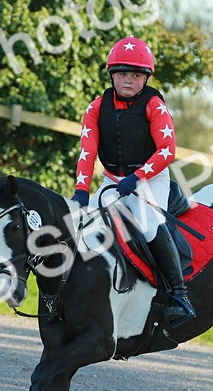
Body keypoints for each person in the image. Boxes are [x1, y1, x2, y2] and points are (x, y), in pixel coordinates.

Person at [71, 36, 196, 326]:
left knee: (148, 223)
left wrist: (138, 177)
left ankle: (179, 294)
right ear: (112, 75)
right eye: (123, 74)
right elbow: (87, 151)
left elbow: (167, 151)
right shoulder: (95, 108)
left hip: (151, 178)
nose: (128, 80)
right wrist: (81, 190)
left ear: (145, 77)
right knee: (84, 222)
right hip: (114, 179)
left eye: (136, 75)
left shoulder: (155, 106)